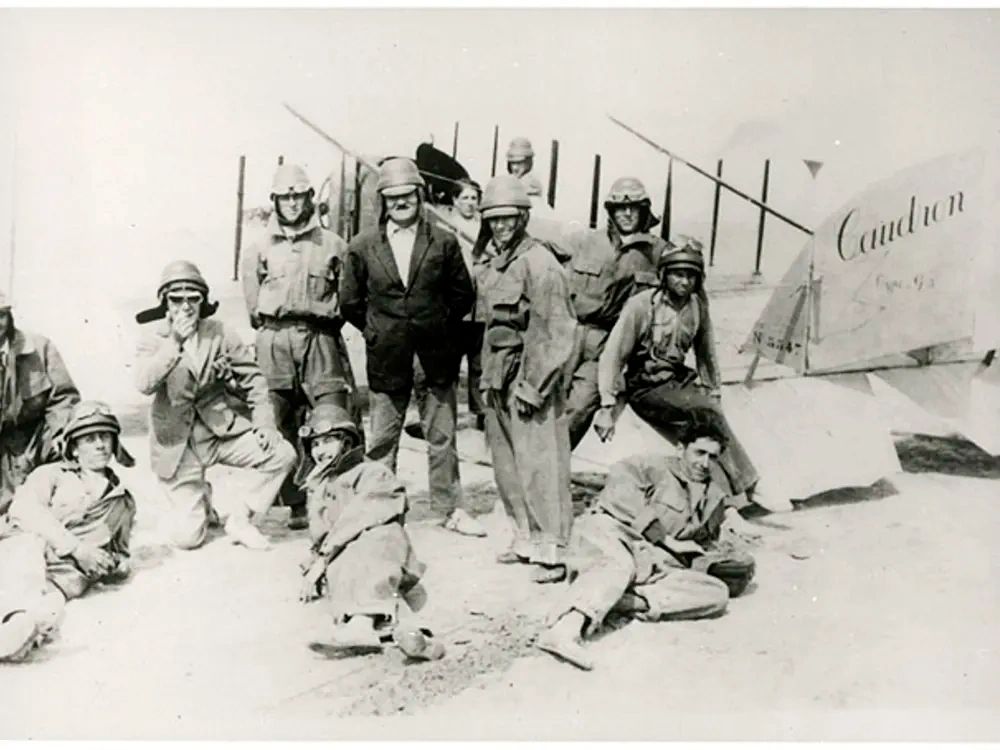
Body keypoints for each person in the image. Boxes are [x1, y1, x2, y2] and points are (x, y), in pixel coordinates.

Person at [536, 416, 756, 671]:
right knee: (618, 565)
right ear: (681, 449)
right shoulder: (650, 466)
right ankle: (565, 631)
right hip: (612, 533)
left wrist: (722, 559)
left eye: (713, 457)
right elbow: (621, 494)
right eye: (699, 453)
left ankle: (622, 600)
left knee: (716, 593)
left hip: (651, 563)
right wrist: (664, 538)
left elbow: (704, 544)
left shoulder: (714, 499)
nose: (704, 463)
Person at [340, 158, 483, 538]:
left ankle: (449, 508)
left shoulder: (444, 241)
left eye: (408, 195)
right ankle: (379, 511)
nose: (401, 203)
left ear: (420, 196)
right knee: (383, 439)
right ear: (383, 201)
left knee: (442, 436)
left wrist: (435, 327)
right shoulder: (363, 246)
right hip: (387, 356)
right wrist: (377, 331)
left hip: (435, 355)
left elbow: (462, 296)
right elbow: (350, 301)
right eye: (393, 197)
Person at [594, 237, 787, 512]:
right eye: (678, 274)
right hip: (645, 386)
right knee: (706, 413)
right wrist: (607, 404)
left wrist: (714, 390)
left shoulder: (697, 307)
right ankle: (751, 484)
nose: (684, 282)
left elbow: (706, 353)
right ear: (664, 275)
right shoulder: (642, 306)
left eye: (691, 276)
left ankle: (722, 502)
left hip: (676, 380)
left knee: (707, 429)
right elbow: (614, 355)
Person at [135, 260, 297, 551]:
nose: (185, 307)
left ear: (203, 301)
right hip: (177, 445)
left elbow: (254, 381)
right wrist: (175, 342)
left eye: (193, 299)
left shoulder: (219, 333)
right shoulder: (153, 339)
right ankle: (200, 497)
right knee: (187, 539)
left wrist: (265, 423)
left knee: (282, 454)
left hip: (219, 432)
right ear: (164, 303)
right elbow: (144, 383)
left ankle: (241, 519)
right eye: (176, 299)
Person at [241, 163, 362, 531]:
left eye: (299, 195)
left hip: (320, 338)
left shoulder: (333, 244)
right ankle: (294, 502)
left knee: (333, 416)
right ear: (274, 201)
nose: (292, 203)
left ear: (311, 198)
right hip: (273, 339)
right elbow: (252, 304)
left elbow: (347, 297)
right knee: (279, 418)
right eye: (284, 196)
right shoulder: (259, 247)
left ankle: (334, 498)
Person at [475, 175, 577, 583]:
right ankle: (524, 537)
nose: (500, 226)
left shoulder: (541, 262)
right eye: (493, 219)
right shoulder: (495, 262)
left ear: (522, 218)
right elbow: (491, 327)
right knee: (506, 463)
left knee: (541, 463)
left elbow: (557, 330)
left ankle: (551, 550)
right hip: (498, 372)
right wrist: (486, 378)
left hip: (528, 372)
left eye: (507, 219)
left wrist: (534, 384)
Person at [298, 404, 443, 661]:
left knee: (373, 540)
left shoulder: (373, 472)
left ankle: (363, 625)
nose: (320, 450)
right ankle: (413, 635)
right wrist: (315, 560)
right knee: (349, 566)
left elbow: (363, 513)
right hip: (347, 564)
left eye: (329, 441)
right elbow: (321, 534)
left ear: (347, 442)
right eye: (315, 444)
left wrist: (323, 555)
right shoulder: (318, 486)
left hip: (385, 557)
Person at [0, 401, 136, 662]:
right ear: (73, 448)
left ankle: (19, 636)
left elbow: (121, 551)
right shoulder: (51, 474)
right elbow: (24, 509)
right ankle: (16, 622)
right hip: (25, 556)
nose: (99, 445)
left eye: (105, 436)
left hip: (64, 576)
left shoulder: (123, 501)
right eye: (89, 439)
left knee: (50, 608)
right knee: (23, 565)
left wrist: (115, 565)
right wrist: (77, 548)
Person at [563, 176, 666, 448]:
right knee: (546, 404)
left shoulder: (658, 252)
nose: (627, 213)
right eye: (621, 208)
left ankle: (550, 476)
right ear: (611, 211)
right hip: (569, 334)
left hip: (608, 344)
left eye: (634, 207)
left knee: (578, 408)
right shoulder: (585, 241)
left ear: (645, 211)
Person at [0, 290, 80, 512]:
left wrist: (59, 434)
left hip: (35, 444)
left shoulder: (39, 348)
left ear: (9, 318)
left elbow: (64, 398)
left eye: (0, 315)